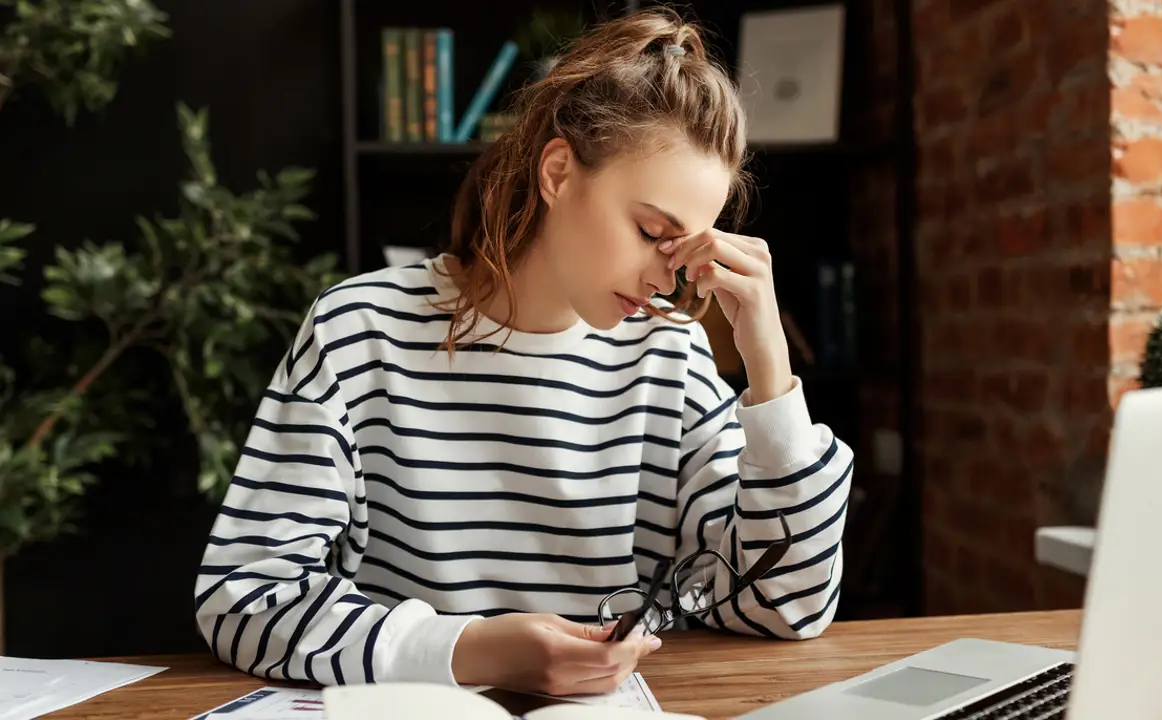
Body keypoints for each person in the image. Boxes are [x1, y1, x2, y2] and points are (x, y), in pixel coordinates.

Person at [193, 7, 854, 699]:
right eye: (652, 230)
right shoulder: (360, 330)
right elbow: (244, 596)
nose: (669, 277)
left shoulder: (670, 357)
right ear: (560, 173)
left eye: (687, 247)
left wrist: (771, 376)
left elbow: (784, 606)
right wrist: (467, 649)